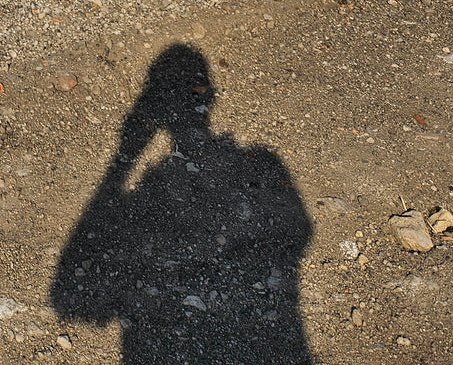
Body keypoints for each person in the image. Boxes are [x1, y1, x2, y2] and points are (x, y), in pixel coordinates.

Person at [50, 43, 313, 364]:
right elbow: (298, 233)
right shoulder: (263, 166)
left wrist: (124, 160)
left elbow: (69, 301)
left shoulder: (249, 170)